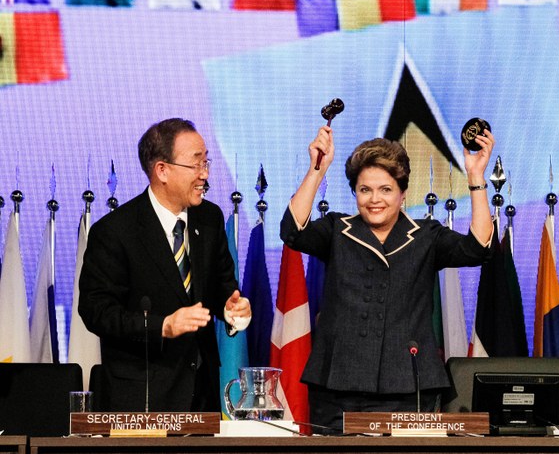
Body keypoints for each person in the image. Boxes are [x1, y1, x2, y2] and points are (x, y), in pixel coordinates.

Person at [280, 126, 495, 431]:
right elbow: (292, 231)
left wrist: (475, 180)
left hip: (407, 386)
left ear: (403, 193)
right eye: (364, 189)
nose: (374, 199)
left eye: (385, 189)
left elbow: (477, 249)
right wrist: (317, 170)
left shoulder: (425, 236)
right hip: (337, 387)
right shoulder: (336, 230)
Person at [79, 118, 251, 412]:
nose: (204, 175)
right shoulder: (115, 231)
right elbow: (97, 312)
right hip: (140, 397)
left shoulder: (209, 219)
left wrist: (231, 307)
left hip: (202, 395)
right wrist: (162, 326)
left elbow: (222, 284)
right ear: (162, 170)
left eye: (206, 163)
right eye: (195, 165)